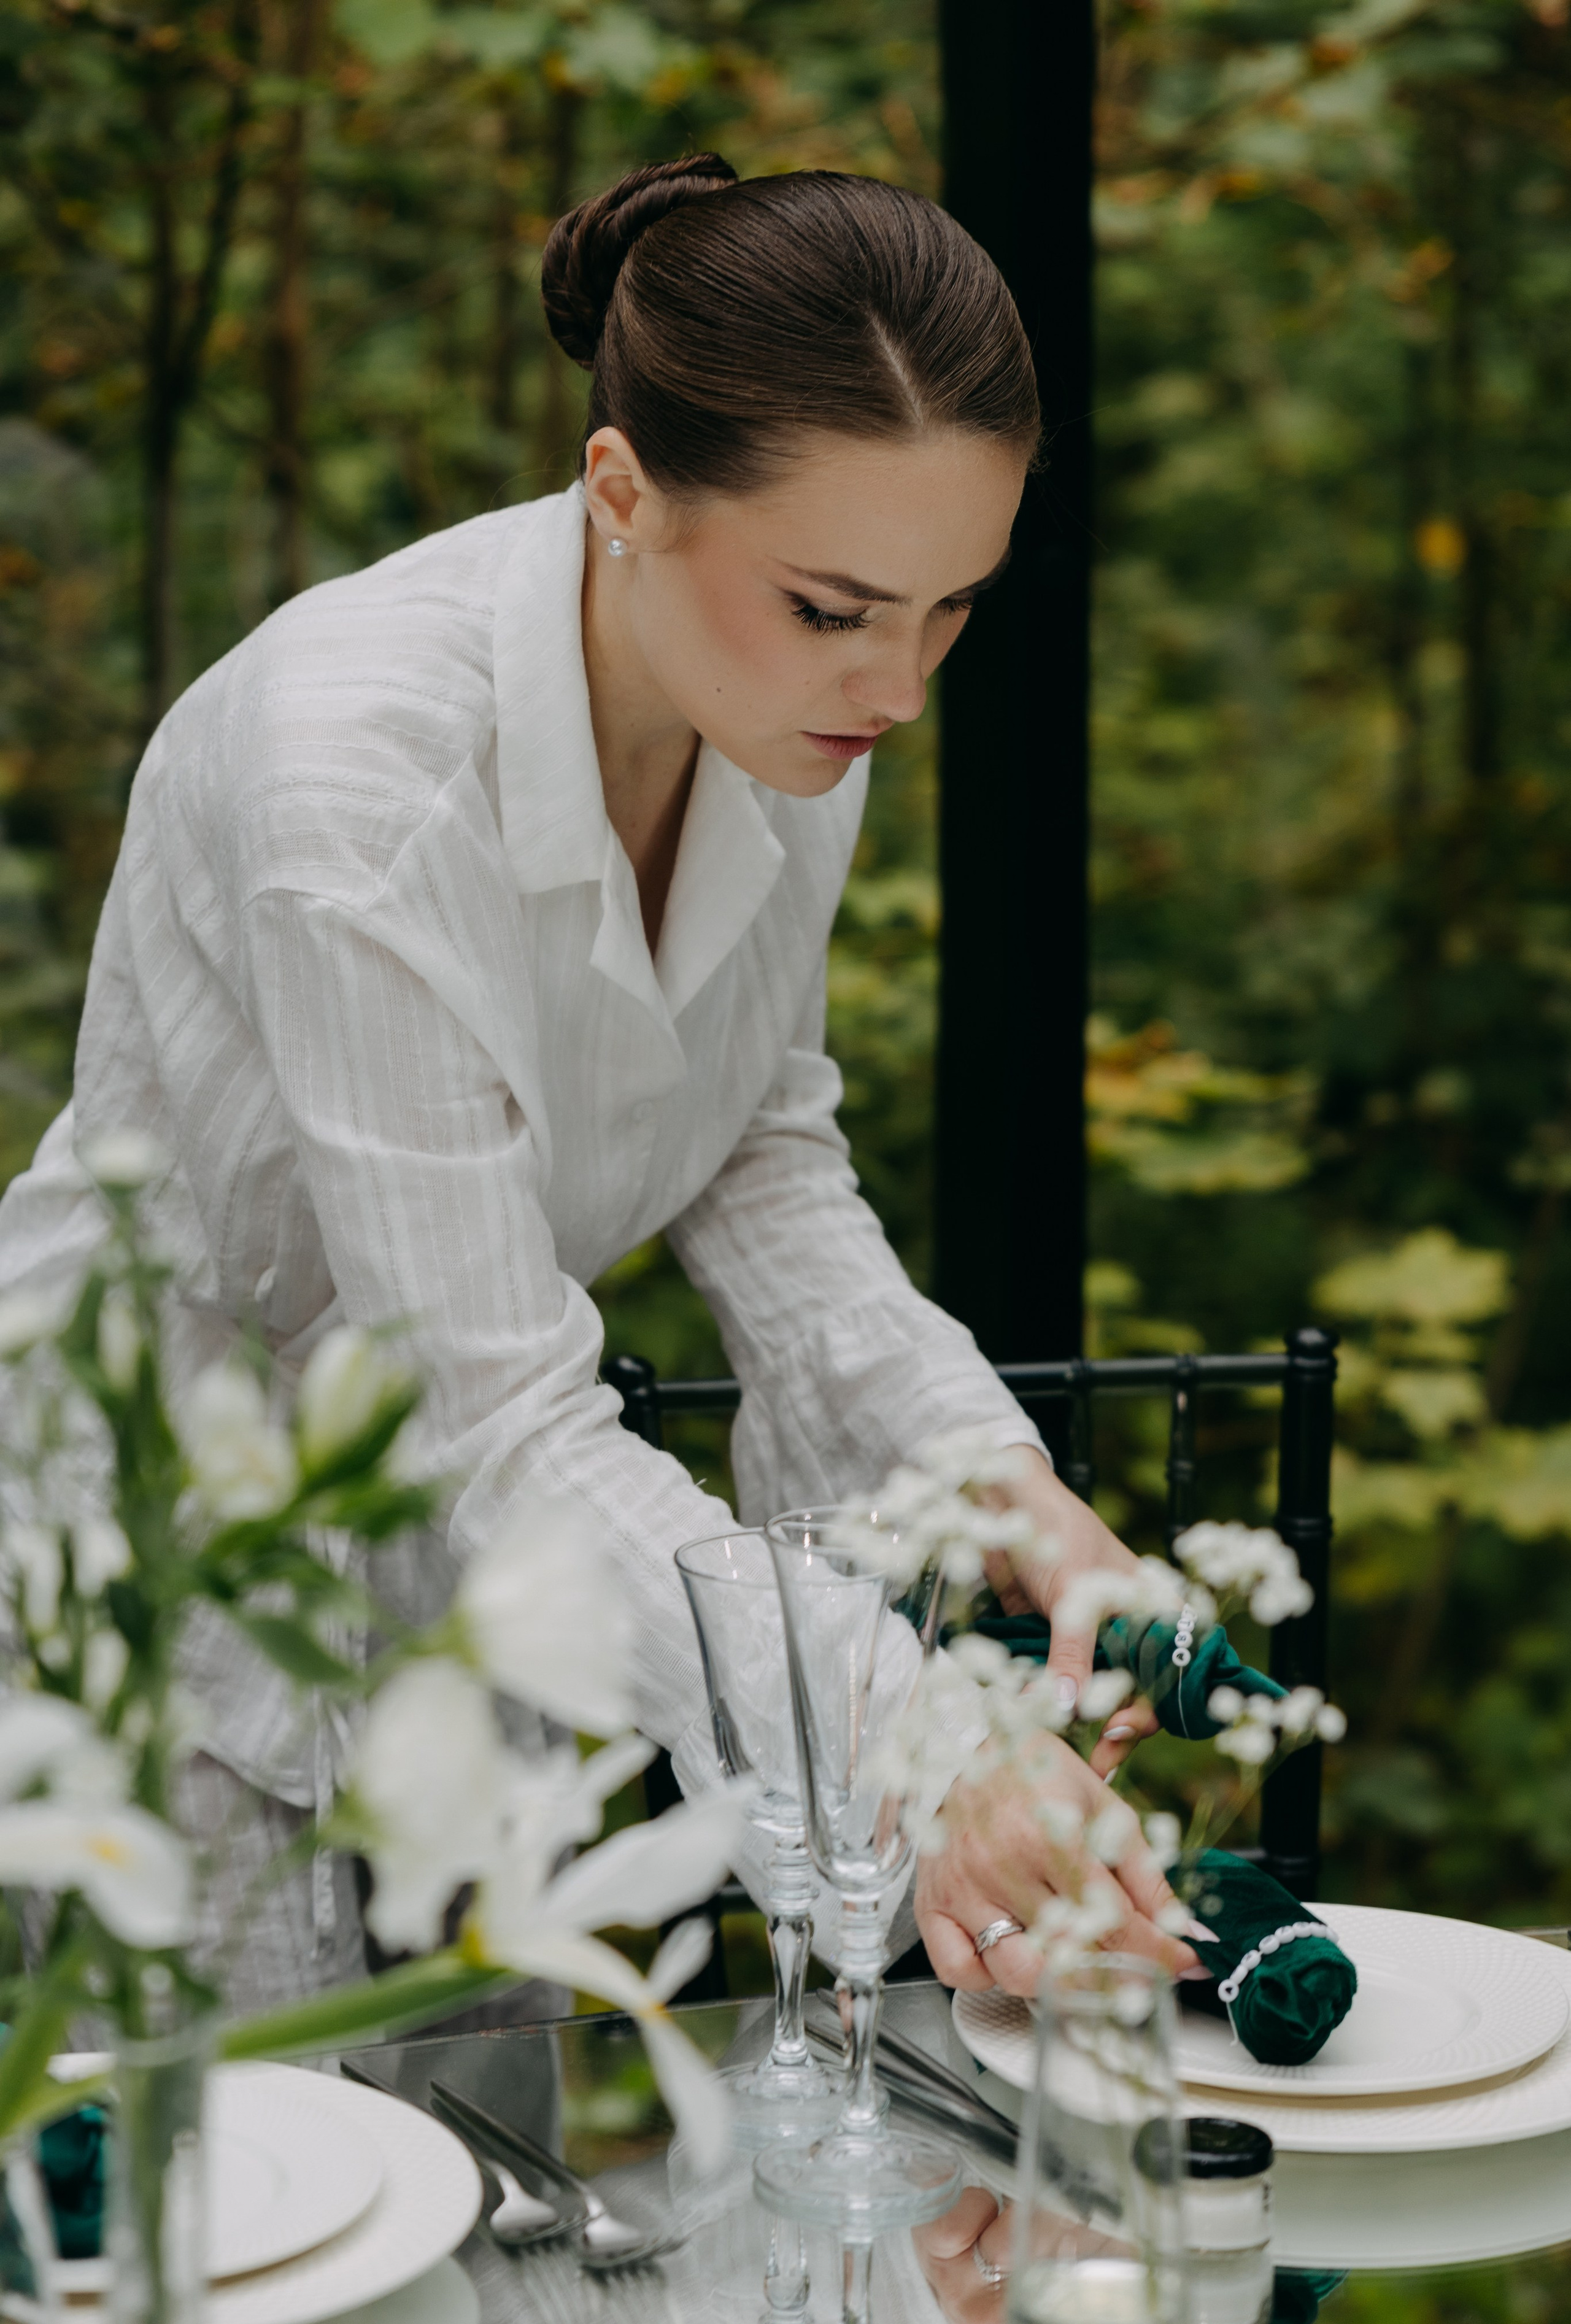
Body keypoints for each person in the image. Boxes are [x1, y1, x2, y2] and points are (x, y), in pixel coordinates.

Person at [0, 155, 1193, 2007]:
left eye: (955, 606)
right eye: (835, 606)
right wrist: (907, 1732)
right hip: (172, 1573)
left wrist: (995, 1487)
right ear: (620, 487)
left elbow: (757, 1158)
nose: (901, 683)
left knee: (499, 2222)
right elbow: (489, 1423)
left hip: (508, 1592)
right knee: (259, 2250)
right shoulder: (353, 784)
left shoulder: (792, 721)